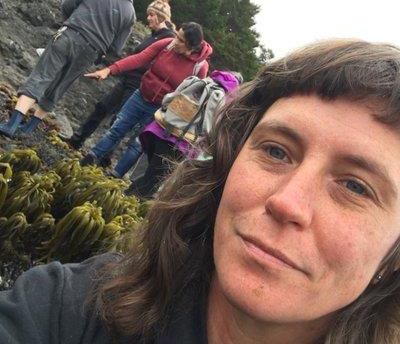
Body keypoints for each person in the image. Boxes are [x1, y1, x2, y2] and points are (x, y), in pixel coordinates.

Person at [2, 39, 400, 344]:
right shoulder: (71, 307)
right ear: (227, 163)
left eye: (355, 187)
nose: (286, 202)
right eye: (277, 151)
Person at [0, 0, 136, 138]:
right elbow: (116, 47)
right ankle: (28, 129)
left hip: (71, 34)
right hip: (92, 51)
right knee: (61, 85)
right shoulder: (131, 13)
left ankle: (11, 125)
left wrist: (70, 22)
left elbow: (67, 3)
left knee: (41, 76)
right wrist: (100, 54)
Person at [81, 22, 212, 167]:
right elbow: (139, 58)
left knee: (138, 144)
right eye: (177, 36)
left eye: (181, 40)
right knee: (116, 129)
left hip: (161, 110)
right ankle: (90, 158)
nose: (176, 41)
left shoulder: (200, 67)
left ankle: (116, 175)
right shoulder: (167, 45)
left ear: (191, 47)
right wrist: (109, 70)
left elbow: (194, 96)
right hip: (140, 95)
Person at [65, 0, 176, 151]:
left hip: (139, 85)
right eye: (148, 14)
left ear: (161, 17)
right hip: (127, 79)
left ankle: (103, 156)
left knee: (119, 120)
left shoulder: (168, 40)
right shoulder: (153, 35)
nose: (148, 18)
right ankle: (77, 140)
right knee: (102, 107)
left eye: (151, 15)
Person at [125, 70, 243, 199]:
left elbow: (168, 99)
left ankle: (126, 195)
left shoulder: (200, 81)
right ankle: (127, 203)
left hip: (157, 130)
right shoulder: (221, 96)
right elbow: (208, 128)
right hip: (178, 143)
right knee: (152, 182)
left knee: (149, 174)